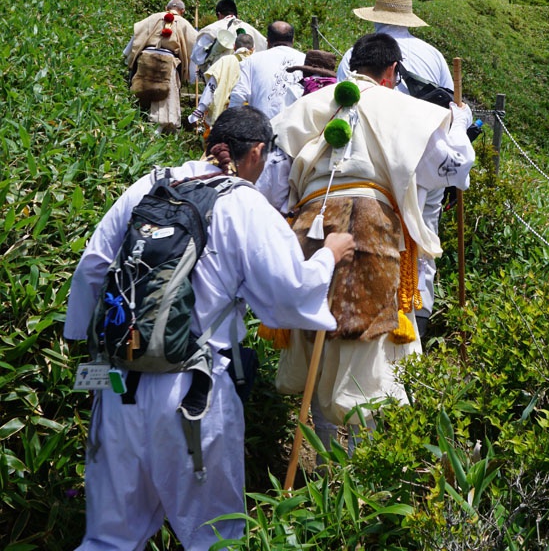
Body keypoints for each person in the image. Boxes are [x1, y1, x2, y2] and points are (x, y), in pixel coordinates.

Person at [63, 106, 354, 551]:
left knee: (109, 537)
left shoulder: (151, 184)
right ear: (257, 151)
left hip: (117, 385)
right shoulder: (243, 202)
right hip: (194, 396)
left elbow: (93, 267)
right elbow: (289, 296)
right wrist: (329, 255)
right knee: (214, 536)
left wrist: (82, 343)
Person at [263, 32, 473, 450]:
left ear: (350, 66)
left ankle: (322, 461)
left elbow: (273, 177)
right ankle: (360, 468)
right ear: (393, 71)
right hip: (373, 228)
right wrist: (461, 124)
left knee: (316, 330)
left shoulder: (307, 106)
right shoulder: (406, 109)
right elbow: (452, 169)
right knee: (368, 345)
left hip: (312, 222)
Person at [337, 0, 454, 339]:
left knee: (375, 236)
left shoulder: (353, 54)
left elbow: (346, 104)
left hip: (377, 160)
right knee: (423, 236)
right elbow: (449, 105)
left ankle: (374, 319)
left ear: (375, 17)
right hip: (427, 159)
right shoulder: (433, 55)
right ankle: (416, 323)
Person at [124, 0, 197, 133]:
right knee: (166, 94)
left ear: (166, 7)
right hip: (167, 61)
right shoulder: (184, 23)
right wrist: (192, 77)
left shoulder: (152, 18)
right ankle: (162, 125)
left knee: (140, 89)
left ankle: (135, 118)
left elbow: (136, 36)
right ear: (183, 11)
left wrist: (127, 57)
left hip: (145, 57)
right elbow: (195, 47)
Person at [228, 20, 304, 118]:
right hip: (296, 128)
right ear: (293, 41)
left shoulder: (251, 61)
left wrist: (230, 125)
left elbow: (238, 95)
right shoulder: (305, 60)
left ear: (267, 41)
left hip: (262, 129)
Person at [187, 31, 255, 136]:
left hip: (224, 113)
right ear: (253, 49)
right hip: (250, 115)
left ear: (234, 46)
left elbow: (211, 87)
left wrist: (200, 110)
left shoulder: (225, 60)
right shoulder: (257, 62)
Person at [190, 0, 267, 80]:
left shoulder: (211, 29)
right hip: (245, 80)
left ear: (219, 14)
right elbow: (264, 51)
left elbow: (197, 57)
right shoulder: (251, 30)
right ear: (237, 15)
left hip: (218, 80)